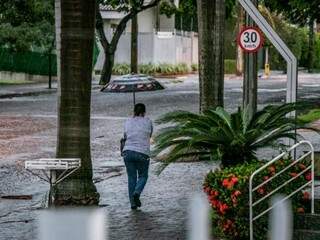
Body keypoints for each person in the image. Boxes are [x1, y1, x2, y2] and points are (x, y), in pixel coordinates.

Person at [122, 103, 153, 210]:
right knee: (143, 176)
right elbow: (149, 135)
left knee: (131, 178)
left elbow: (125, 136)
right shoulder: (148, 121)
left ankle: (133, 204)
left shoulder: (127, 121)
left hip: (127, 152)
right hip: (142, 153)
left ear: (134, 111)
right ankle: (137, 192)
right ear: (144, 112)